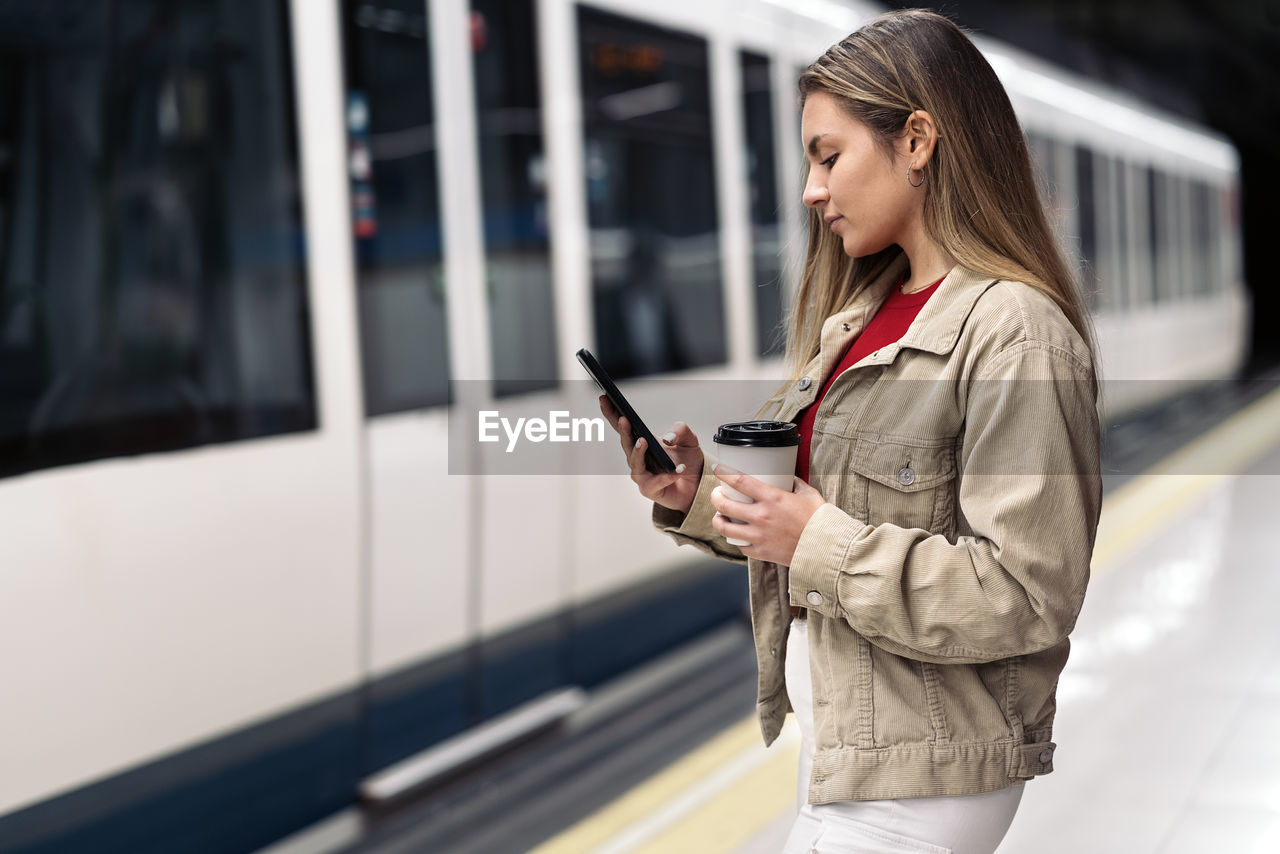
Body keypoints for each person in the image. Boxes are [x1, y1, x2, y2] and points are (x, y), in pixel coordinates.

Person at [600, 9, 1101, 854]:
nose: (811, 191)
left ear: (916, 140)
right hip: (853, 750)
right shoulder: (864, 316)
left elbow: (1028, 594)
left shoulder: (1014, 330)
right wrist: (703, 499)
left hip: (924, 776)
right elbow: (831, 512)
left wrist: (816, 541)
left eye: (829, 156)